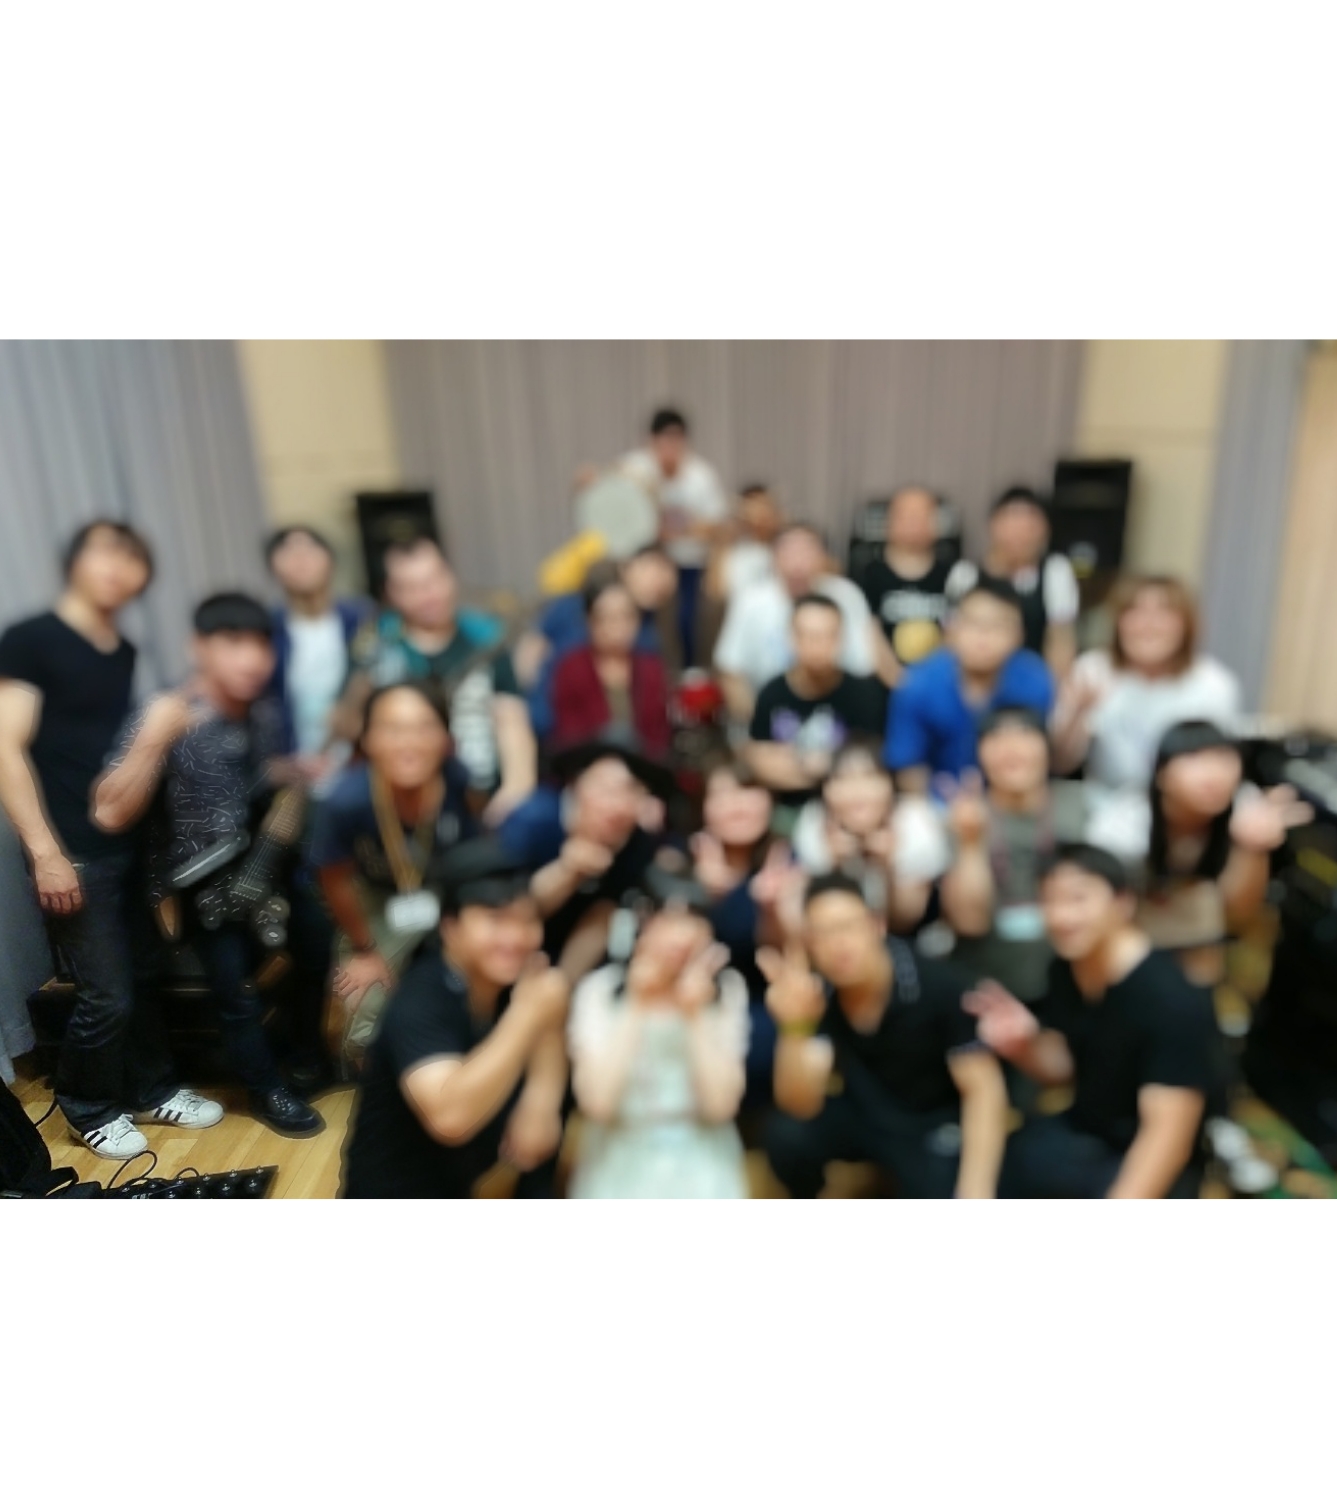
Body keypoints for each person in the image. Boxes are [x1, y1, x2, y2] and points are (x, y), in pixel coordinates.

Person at [0, 520, 223, 1159]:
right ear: (76, 560)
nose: (119, 569)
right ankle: (87, 1105)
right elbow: (6, 748)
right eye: (106, 553)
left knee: (143, 978)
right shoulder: (32, 639)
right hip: (71, 853)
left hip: (128, 847)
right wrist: (45, 854)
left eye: (133, 560)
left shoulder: (120, 649)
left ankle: (152, 1088)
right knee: (107, 995)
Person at [93, 593, 331, 1138]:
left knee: (317, 945)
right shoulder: (166, 711)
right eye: (233, 643)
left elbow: (250, 783)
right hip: (199, 881)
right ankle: (266, 1089)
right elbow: (109, 810)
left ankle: (306, 1055)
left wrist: (288, 770)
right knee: (235, 991)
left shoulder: (262, 711)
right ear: (198, 647)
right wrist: (154, 738)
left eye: (261, 645)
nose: (252, 659)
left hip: (266, 864)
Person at [966, 843, 1220, 1198]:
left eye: (1078, 899)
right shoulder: (1066, 969)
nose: (1061, 916)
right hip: (1088, 1132)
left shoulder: (1172, 1000)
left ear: (1123, 902)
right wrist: (1023, 1045)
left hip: (1150, 1157)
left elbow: (1167, 1139)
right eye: (1049, 900)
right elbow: (1065, 1068)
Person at [341, 838, 570, 1198]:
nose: (516, 938)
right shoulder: (421, 998)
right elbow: (450, 1118)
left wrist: (542, 1094)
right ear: (450, 927)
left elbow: (536, 1140)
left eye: (528, 920)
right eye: (496, 920)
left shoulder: (516, 981)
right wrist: (528, 1014)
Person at [761, 871, 1009, 1198]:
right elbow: (800, 1105)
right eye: (822, 933)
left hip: (928, 1126)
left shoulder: (938, 985)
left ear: (877, 925)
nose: (838, 944)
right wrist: (794, 1028)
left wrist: (975, 1193)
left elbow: (983, 1091)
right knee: (787, 1136)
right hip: (866, 1117)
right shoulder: (819, 994)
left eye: (847, 927)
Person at [311, 682, 478, 1068]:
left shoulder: (457, 780)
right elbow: (334, 880)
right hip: (374, 898)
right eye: (393, 729)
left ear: (446, 738)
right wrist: (365, 950)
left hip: (443, 892)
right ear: (368, 739)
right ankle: (374, 1076)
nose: (409, 743)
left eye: (425, 727)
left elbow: (472, 855)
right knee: (363, 1002)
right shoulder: (346, 800)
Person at [567, 863, 750, 1198]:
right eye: (667, 919)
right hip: (619, 1154)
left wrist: (696, 1016)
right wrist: (636, 1003)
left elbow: (721, 1106)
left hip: (702, 1156)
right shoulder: (601, 990)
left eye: (693, 919)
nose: (682, 936)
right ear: (641, 921)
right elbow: (598, 1104)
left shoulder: (726, 991)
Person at [939, 707, 1144, 1004]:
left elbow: (1120, 903)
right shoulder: (963, 814)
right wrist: (970, 844)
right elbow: (970, 921)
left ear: (1047, 747)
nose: (1012, 749)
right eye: (996, 738)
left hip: (1078, 983)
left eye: (1025, 734)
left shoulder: (1086, 805)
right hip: (985, 983)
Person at [338, 535, 536, 827]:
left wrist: (516, 788)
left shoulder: (486, 639)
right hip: (398, 801)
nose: (428, 595)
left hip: (479, 792)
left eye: (433, 580)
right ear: (391, 593)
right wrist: (363, 678)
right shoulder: (376, 645)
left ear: (450, 577)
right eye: (412, 587)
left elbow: (511, 719)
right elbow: (347, 728)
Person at [500, 730, 676, 981]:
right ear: (576, 785)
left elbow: (602, 915)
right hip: (507, 950)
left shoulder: (636, 843)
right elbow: (508, 913)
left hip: (572, 966)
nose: (617, 805)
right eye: (606, 789)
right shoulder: (532, 822)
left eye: (632, 792)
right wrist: (568, 871)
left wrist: (561, 987)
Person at [1050, 574, 1242, 791]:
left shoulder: (1213, 684)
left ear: (1186, 624)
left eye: (1163, 612)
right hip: (1101, 801)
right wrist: (1078, 714)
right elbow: (1059, 763)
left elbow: (1219, 769)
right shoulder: (1092, 671)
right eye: (1135, 612)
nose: (1148, 625)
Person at [884, 578, 1054, 794]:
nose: (984, 637)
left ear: (1019, 634)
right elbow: (908, 766)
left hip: (1011, 798)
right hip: (936, 800)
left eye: (998, 626)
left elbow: (1040, 759)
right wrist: (944, 804)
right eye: (973, 623)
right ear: (951, 628)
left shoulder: (1035, 680)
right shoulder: (917, 684)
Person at [690, 758, 795, 1102]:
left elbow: (786, 956)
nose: (737, 806)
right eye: (721, 795)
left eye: (748, 791)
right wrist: (702, 897)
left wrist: (770, 909)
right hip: (696, 993)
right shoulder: (682, 859)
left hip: (764, 997)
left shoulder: (787, 860)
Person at [714, 522, 881, 724]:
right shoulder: (750, 601)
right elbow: (731, 670)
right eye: (789, 552)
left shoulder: (846, 596)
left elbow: (863, 666)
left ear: (824, 558)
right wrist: (758, 725)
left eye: (807, 552)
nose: (798, 564)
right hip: (767, 716)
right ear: (773, 557)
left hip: (838, 719)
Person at [516, 547, 679, 740]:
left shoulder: (649, 639)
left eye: (666, 574)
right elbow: (532, 648)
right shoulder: (570, 606)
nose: (657, 581)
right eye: (651, 569)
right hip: (553, 716)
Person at [790, 739, 949, 934]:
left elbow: (905, 921)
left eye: (870, 776)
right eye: (842, 778)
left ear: (891, 784)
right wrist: (833, 866)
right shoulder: (814, 823)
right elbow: (815, 923)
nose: (858, 791)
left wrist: (888, 867)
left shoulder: (916, 822)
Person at [745, 594, 888, 806]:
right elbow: (758, 764)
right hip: (784, 807)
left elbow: (870, 768)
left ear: (842, 638)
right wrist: (820, 765)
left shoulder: (864, 694)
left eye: (828, 636)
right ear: (790, 637)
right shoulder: (771, 693)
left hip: (847, 806)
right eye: (809, 635)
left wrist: (792, 762)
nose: (818, 645)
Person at [263, 524, 371, 792]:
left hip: (363, 768)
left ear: (331, 560)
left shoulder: (363, 619)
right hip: (297, 777)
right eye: (288, 551)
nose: (301, 558)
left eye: (311, 548)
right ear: (273, 567)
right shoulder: (267, 632)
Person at [618, 408, 730, 665]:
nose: (670, 447)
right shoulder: (635, 467)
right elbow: (610, 491)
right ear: (651, 441)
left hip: (688, 559)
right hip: (644, 557)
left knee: (687, 617)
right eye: (663, 440)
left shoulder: (701, 475)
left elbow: (718, 525)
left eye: (676, 439)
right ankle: (638, 667)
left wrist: (682, 530)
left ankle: (689, 670)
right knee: (639, 613)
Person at [946, 485, 1080, 679]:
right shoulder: (965, 573)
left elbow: (1061, 640)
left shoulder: (1055, 571)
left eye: (1029, 527)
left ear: (1044, 530)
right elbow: (951, 638)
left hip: (1033, 680)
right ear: (993, 525)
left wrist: (1053, 687)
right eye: (1011, 524)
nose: (1019, 535)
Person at [549, 571, 672, 757]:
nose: (618, 626)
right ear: (589, 621)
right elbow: (569, 736)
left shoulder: (651, 668)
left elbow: (660, 734)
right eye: (607, 617)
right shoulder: (572, 668)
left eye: (626, 616)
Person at [857, 485, 954, 679]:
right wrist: (898, 680)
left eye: (922, 516)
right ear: (889, 522)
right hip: (880, 683)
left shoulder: (954, 575)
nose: (913, 523)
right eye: (905, 515)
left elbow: (957, 635)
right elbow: (867, 633)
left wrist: (927, 682)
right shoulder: (865, 575)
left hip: (939, 681)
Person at [704, 483, 784, 605]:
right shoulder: (733, 552)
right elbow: (716, 592)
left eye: (763, 506)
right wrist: (722, 542)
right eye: (751, 508)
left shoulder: (784, 546)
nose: (758, 514)